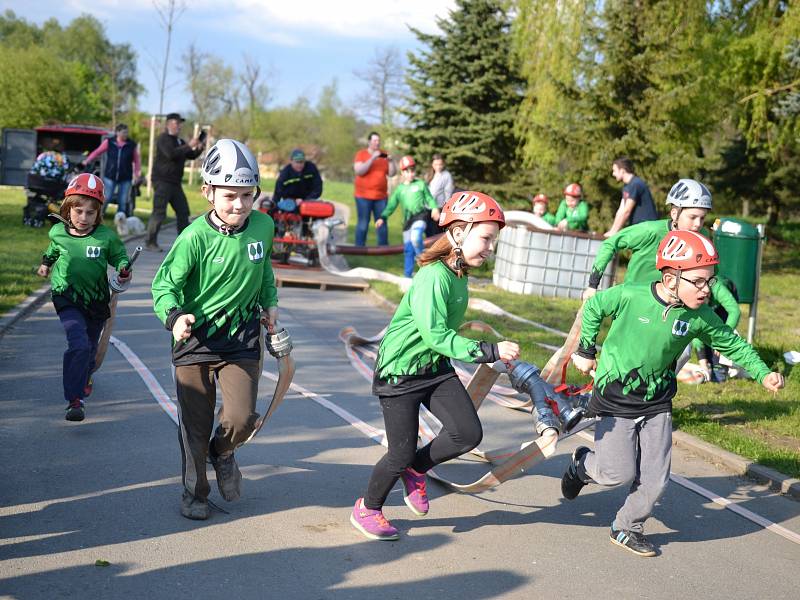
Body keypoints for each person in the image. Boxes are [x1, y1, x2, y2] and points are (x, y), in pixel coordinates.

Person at [563, 229, 784, 557]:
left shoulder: (699, 317)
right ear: (669, 280)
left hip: (657, 401)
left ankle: (627, 526)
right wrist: (586, 349)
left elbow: (733, 343)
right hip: (615, 397)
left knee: (656, 479)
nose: (707, 289)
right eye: (698, 281)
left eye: (710, 280)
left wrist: (763, 373)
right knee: (616, 473)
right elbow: (594, 307)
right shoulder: (630, 296)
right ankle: (583, 465)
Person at [350, 190, 521, 541]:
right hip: (400, 374)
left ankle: (417, 470)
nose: (490, 247)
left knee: (467, 433)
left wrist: (489, 354)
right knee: (399, 452)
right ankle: (367, 507)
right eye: (486, 238)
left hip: (434, 369)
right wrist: (490, 350)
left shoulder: (459, 275)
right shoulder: (433, 277)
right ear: (458, 233)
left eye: (493, 240)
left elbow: (442, 341)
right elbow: (437, 336)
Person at [151, 139, 278, 521]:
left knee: (242, 418)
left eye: (247, 195)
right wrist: (175, 318)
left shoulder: (263, 225)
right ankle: (195, 492)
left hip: (241, 340)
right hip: (194, 342)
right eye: (229, 195)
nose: (239, 204)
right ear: (208, 192)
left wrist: (270, 301)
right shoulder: (193, 238)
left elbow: (265, 269)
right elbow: (163, 287)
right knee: (195, 425)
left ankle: (222, 452)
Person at [37, 173, 131, 422]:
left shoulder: (105, 237)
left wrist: (123, 268)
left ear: (98, 213)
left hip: (96, 300)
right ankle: (74, 400)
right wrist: (46, 265)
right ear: (68, 209)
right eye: (78, 211)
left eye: (90, 213)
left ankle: (85, 373)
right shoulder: (58, 232)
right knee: (77, 344)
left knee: (89, 349)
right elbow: (53, 250)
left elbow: (120, 256)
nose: (84, 218)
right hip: (66, 295)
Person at [582, 178, 739, 316]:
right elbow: (610, 243)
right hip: (635, 306)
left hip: (676, 310)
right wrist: (592, 285)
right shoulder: (651, 231)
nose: (698, 224)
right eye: (692, 217)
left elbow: (711, 272)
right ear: (674, 214)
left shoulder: (702, 235)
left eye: (702, 218)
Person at [146, 113, 205, 252]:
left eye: (180, 123)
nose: (179, 125)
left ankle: (184, 243)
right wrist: (189, 145)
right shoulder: (163, 139)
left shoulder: (180, 141)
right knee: (159, 212)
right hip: (162, 181)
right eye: (176, 122)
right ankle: (150, 242)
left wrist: (199, 147)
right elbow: (170, 154)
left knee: (183, 211)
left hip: (175, 183)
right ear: (168, 124)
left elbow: (190, 155)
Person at [375, 156, 440, 277]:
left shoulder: (420, 184)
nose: (410, 174)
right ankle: (407, 275)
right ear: (402, 172)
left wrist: (435, 208)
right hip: (407, 221)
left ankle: (423, 261)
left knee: (416, 237)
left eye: (412, 170)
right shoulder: (400, 189)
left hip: (421, 216)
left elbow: (429, 198)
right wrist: (382, 217)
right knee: (408, 250)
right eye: (407, 171)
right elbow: (391, 205)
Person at [83, 123, 141, 217]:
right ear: (117, 132)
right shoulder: (109, 142)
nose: (125, 135)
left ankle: (120, 220)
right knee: (107, 197)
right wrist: (87, 160)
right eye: (123, 132)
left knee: (122, 200)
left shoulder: (131, 145)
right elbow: (97, 152)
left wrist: (137, 174)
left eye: (126, 132)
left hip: (126, 176)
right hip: (110, 175)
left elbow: (137, 161)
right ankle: (99, 215)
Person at [353, 131, 396, 246]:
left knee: (382, 222)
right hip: (363, 196)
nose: (377, 143)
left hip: (380, 197)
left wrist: (391, 162)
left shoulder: (384, 154)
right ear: (369, 142)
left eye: (378, 141)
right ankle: (359, 247)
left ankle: (383, 248)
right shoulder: (361, 154)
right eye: (374, 141)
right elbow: (359, 171)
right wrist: (372, 158)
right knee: (363, 223)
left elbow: (392, 173)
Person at [605, 157, 657, 237]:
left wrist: (614, 232)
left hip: (647, 229)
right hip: (639, 229)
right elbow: (621, 211)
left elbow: (627, 211)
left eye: (614, 171)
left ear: (622, 171)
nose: (613, 174)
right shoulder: (627, 186)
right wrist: (612, 230)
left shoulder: (636, 184)